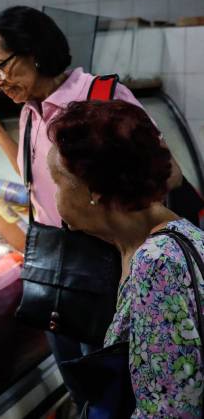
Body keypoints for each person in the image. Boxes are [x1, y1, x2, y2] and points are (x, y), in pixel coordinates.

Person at [0, 6, 183, 400]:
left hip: (107, 264)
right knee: (80, 387)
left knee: (116, 385)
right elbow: (32, 176)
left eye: (2, 67)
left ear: (35, 52)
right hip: (56, 266)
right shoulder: (30, 111)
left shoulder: (101, 97)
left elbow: (167, 174)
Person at [47, 100, 203, 417]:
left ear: (94, 191)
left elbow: (166, 408)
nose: (55, 196)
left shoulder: (157, 262)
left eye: (57, 183)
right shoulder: (154, 238)